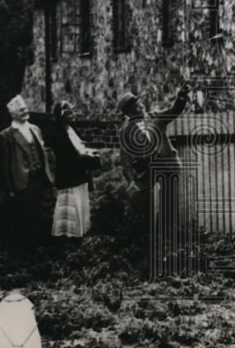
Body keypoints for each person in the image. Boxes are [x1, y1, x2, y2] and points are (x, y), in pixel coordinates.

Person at [118, 83, 190, 271]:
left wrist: (181, 98)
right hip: (145, 171)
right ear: (129, 111)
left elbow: (175, 110)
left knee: (169, 205)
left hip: (166, 165)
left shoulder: (156, 117)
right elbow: (125, 159)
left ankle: (167, 245)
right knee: (144, 207)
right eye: (137, 105)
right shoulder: (125, 131)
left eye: (140, 103)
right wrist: (130, 181)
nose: (141, 105)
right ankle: (146, 250)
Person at [0, 95, 53, 262]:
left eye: (26, 108)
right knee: (21, 219)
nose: (25, 111)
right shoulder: (6, 136)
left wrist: (47, 176)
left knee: (36, 216)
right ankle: (19, 257)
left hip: (38, 180)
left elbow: (42, 154)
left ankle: (33, 253)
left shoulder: (35, 129)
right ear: (13, 114)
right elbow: (5, 166)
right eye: (21, 110)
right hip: (21, 183)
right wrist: (9, 189)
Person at [49, 100, 102, 240]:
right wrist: (87, 158)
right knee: (70, 203)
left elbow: (80, 147)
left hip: (79, 172)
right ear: (61, 115)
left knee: (79, 200)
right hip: (68, 173)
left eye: (72, 112)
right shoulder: (56, 131)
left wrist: (89, 153)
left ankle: (79, 231)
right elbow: (67, 154)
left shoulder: (72, 129)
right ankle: (67, 234)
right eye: (69, 113)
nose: (72, 115)